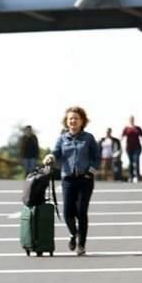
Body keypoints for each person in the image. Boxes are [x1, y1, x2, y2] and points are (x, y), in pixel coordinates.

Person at [43, 107, 100, 256]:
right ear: (66, 122)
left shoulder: (88, 138)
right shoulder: (62, 138)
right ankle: (73, 234)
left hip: (85, 179)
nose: (73, 121)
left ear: (82, 121)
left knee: (81, 212)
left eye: (76, 118)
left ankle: (81, 245)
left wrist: (91, 173)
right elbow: (55, 152)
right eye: (70, 119)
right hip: (68, 179)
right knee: (68, 212)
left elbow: (96, 157)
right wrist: (50, 157)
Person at [122, 116, 142, 183]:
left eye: (132, 119)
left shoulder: (138, 128)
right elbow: (122, 136)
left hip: (137, 147)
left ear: (134, 120)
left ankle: (138, 176)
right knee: (131, 162)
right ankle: (131, 176)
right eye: (130, 119)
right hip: (129, 148)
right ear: (129, 120)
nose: (132, 120)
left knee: (136, 160)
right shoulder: (126, 128)